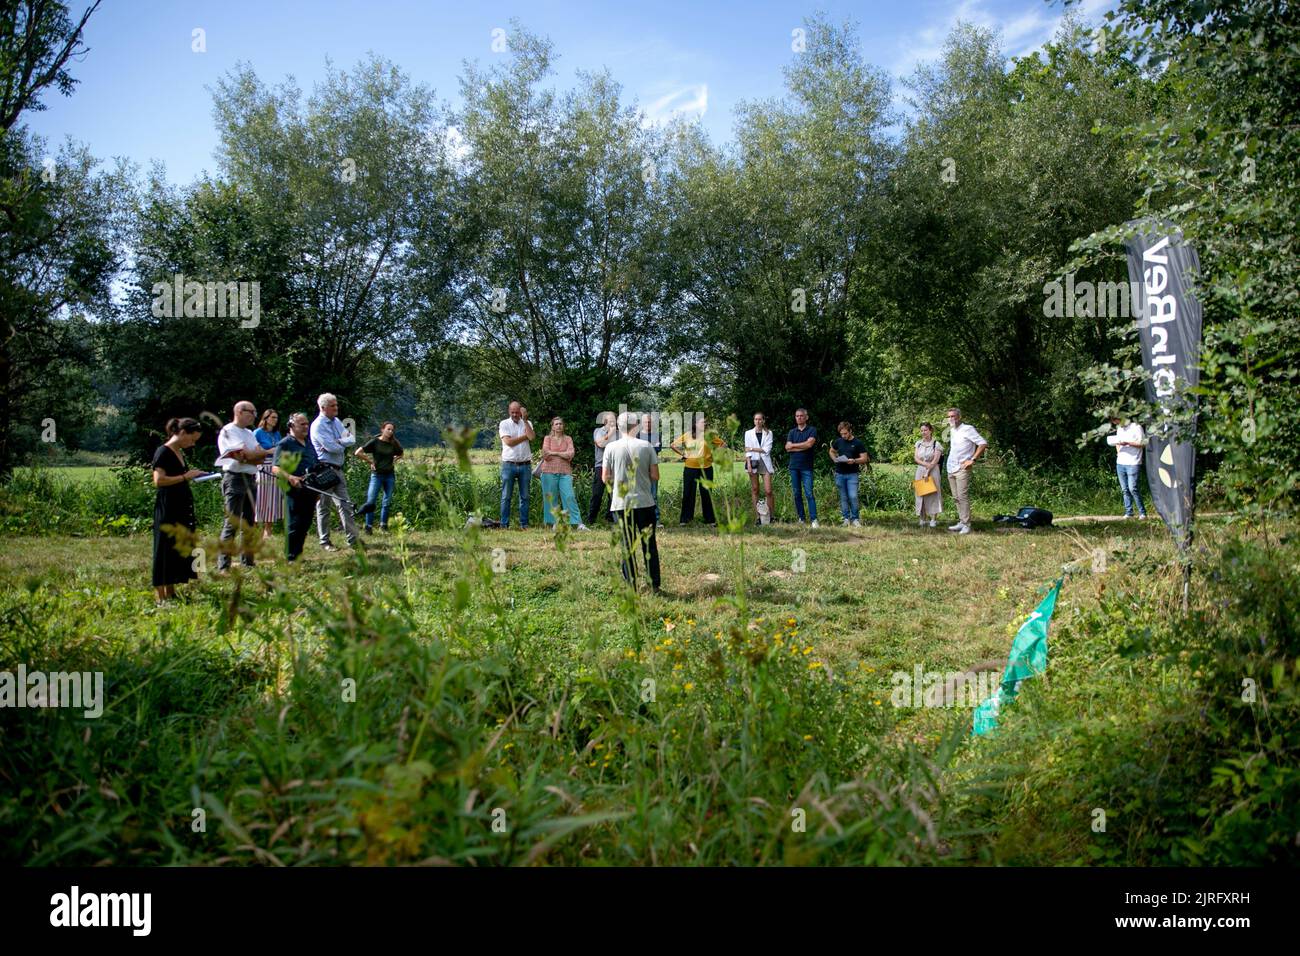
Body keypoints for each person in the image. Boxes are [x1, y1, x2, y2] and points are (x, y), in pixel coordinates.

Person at [605, 411, 661, 591]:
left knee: (627, 545)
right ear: (636, 426)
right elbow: (655, 475)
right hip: (645, 501)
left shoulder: (611, 448)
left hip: (621, 504)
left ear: (619, 427)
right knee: (649, 545)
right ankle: (654, 583)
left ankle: (631, 584)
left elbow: (605, 477)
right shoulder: (647, 446)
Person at [152, 417, 204, 602]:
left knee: (176, 548)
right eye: (192, 439)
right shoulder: (163, 452)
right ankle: (161, 597)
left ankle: (172, 592)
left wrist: (193, 476)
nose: (192, 443)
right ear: (182, 433)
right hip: (168, 506)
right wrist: (185, 477)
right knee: (164, 549)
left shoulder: (179, 452)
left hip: (181, 505)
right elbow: (158, 481)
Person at [216, 400, 273, 570]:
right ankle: (223, 565)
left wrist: (251, 456)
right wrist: (251, 455)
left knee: (249, 523)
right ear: (240, 412)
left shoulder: (249, 433)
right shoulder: (228, 431)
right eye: (252, 412)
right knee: (232, 522)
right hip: (234, 479)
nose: (255, 416)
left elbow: (261, 456)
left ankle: (247, 562)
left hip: (250, 478)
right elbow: (240, 455)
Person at [310, 392, 359, 551]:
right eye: (333, 405)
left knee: (345, 504)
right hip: (324, 469)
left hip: (338, 469)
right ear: (323, 407)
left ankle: (353, 540)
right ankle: (325, 541)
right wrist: (339, 444)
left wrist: (338, 442)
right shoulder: (318, 425)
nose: (336, 408)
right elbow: (331, 447)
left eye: (336, 405)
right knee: (323, 506)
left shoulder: (337, 421)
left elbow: (351, 440)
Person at [273, 413, 322, 562]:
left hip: (310, 488)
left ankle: (298, 554)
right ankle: (290, 557)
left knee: (305, 523)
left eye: (307, 424)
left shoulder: (308, 443)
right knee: (294, 523)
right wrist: (290, 477)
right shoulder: (285, 443)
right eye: (302, 424)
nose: (306, 427)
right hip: (294, 489)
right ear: (291, 426)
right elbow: (275, 468)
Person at [671, 415, 725, 526]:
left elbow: (724, 445)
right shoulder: (688, 435)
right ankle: (685, 520)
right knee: (688, 494)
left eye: (705, 422)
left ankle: (710, 520)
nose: (704, 424)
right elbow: (672, 445)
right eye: (702, 422)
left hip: (706, 469)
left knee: (707, 494)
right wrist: (683, 454)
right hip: (690, 468)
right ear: (695, 424)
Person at [538, 416, 589, 531]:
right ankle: (553, 523)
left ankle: (577, 523)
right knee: (551, 499)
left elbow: (570, 454)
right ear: (552, 426)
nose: (559, 426)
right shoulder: (547, 438)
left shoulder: (568, 439)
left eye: (560, 424)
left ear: (563, 426)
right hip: (548, 471)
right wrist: (561, 453)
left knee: (570, 496)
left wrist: (554, 452)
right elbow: (545, 454)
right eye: (556, 424)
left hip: (565, 472)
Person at [354, 421, 404, 533]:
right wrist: (370, 461)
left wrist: (395, 459)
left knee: (386, 502)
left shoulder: (394, 443)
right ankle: (368, 526)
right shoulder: (375, 442)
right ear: (382, 430)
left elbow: (401, 452)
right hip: (377, 475)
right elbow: (358, 452)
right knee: (371, 501)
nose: (390, 431)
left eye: (392, 430)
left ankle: (383, 526)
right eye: (388, 429)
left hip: (389, 475)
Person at [944, 407, 988, 534]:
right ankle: (961, 521)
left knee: (962, 496)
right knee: (956, 497)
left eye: (953, 416)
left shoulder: (968, 429)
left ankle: (967, 524)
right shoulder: (952, 430)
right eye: (949, 417)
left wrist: (972, 459)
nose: (951, 419)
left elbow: (982, 443)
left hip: (962, 468)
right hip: (951, 467)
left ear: (959, 417)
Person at [499, 400, 535, 529]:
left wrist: (525, 421)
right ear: (509, 411)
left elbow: (532, 437)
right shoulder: (504, 424)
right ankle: (504, 524)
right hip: (509, 465)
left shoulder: (527, 423)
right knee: (506, 496)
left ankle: (524, 524)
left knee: (525, 496)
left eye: (517, 412)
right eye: (512, 412)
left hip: (525, 465)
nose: (515, 414)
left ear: (521, 412)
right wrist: (524, 437)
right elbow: (509, 442)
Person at [828, 421, 870, 526]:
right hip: (840, 473)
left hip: (852, 474)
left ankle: (855, 519)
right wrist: (834, 459)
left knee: (853, 496)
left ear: (850, 431)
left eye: (845, 433)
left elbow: (864, 458)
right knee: (843, 497)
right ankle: (846, 519)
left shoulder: (858, 443)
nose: (843, 436)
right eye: (841, 434)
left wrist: (854, 461)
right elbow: (831, 451)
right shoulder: (838, 441)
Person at [1106, 416, 1148, 519]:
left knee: (1133, 488)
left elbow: (1143, 443)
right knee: (1125, 489)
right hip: (1120, 462)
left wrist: (1128, 443)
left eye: (1118, 421)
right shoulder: (1120, 429)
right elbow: (1117, 442)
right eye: (1115, 423)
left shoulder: (1136, 427)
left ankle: (1142, 513)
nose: (1117, 424)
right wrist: (1118, 451)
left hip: (1133, 462)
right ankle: (1129, 512)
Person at [253, 408, 283, 542]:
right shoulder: (258, 433)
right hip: (263, 466)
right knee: (262, 497)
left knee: (273, 498)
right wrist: (269, 451)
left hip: (275, 466)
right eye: (272, 417)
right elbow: (255, 450)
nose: (275, 420)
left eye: (276, 418)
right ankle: (255, 527)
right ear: (265, 419)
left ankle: (268, 529)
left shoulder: (277, 434)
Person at [785, 407, 819, 527]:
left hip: (806, 467)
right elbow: (787, 447)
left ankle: (814, 520)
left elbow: (809, 444)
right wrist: (801, 446)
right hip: (794, 467)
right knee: (797, 494)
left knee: (809, 493)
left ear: (806, 417)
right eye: (797, 416)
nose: (799, 418)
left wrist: (794, 446)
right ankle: (801, 518)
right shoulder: (792, 432)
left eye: (801, 416)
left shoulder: (812, 430)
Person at [586, 411, 617, 527]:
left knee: (613, 494)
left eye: (614, 421)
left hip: (615, 467)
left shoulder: (619, 434)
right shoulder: (598, 431)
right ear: (605, 422)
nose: (613, 423)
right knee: (597, 493)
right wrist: (610, 434)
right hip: (601, 466)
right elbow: (600, 444)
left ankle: (609, 518)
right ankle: (591, 519)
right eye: (611, 421)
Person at [744, 412, 775, 524]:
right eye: (756, 419)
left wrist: (751, 448)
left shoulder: (768, 433)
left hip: (765, 463)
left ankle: (771, 516)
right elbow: (747, 451)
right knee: (755, 489)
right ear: (754, 421)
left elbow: (767, 449)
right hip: (752, 462)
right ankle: (758, 517)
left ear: (763, 421)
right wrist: (748, 464)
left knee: (768, 491)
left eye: (760, 419)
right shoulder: (748, 433)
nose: (758, 421)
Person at [913, 422, 945, 527]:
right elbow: (916, 458)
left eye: (925, 430)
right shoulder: (918, 443)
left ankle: (933, 519)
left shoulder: (936, 444)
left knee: (933, 493)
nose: (923, 432)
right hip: (920, 470)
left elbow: (936, 460)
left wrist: (928, 470)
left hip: (933, 471)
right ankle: (922, 518)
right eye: (922, 430)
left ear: (930, 431)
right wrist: (924, 464)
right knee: (921, 493)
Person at [636, 412, 663, 526]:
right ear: (642, 423)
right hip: (640, 469)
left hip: (652, 468)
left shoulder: (657, 435)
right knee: (638, 494)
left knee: (653, 495)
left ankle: (655, 520)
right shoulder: (636, 435)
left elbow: (656, 450)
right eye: (646, 422)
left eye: (650, 422)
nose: (648, 424)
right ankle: (640, 520)